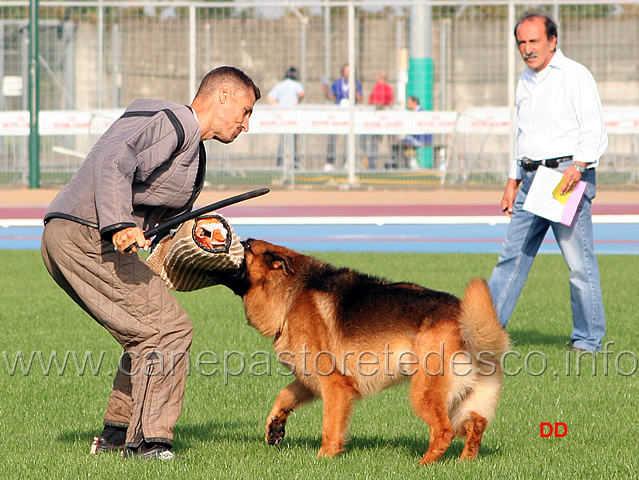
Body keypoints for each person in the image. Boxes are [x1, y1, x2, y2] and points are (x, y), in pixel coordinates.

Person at [40, 66, 260, 459]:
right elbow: (114, 160)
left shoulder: (194, 155)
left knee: (145, 333)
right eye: (245, 111)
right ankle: (148, 443)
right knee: (170, 329)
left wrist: (202, 243)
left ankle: (115, 435)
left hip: (82, 236)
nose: (246, 125)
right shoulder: (174, 122)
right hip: (87, 234)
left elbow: (162, 232)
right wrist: (120, 224)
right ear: (223, 95)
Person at [487, 12, 608, 352]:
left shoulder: (575, 75)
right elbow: (521, 133)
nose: (527, 49)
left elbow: (593, 127)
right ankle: (487, 335)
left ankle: (588, 339)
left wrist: (580, 165)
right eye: (521, 43)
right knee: (511, 258)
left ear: (553, 41)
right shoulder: (525, 80)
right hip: (529, 179)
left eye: (534, 41)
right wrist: (512, 180)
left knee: (578, 263)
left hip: (564, 178)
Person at [322, 64, 363, 171]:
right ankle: (330, 162)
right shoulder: (337, 83)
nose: (348, 73)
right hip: (338, 114)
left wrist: (355, 90)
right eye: (346, 71)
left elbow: (360, 98)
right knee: (333, 137)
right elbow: (332, 96)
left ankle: (348, 161)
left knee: (349, 139)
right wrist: (326, 91)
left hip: (350, 115)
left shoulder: (356, 83)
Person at [266, 66, 305, 168]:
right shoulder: (296, 84)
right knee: (294, 140)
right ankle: (295, 162)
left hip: (282, 116)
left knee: (282, 140)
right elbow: (301, 94)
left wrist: (279, 106)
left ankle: (280, 162)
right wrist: (297, 103)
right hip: (293, 115)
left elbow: (269, 98)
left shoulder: (280, 85)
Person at [363, 70, 395, 169]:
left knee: (373, 142)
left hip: (378, 119)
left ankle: (374, 163)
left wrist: (378, 105)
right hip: (385, 119)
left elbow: (376, 102)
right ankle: (391, 161)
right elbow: (390, 102)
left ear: (378, 78)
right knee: (388, 141)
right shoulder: (388, 89)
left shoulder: (380, 88)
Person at [389, 96, 432, 169]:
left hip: (421, 139)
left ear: (414, 102)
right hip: (417, 139)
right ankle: (406, 164)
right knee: (400, 143)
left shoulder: (420, 113)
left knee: (399, 144)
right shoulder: (416, 112)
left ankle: (401, 164)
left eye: (409, 102)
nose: (407, 104)